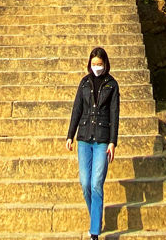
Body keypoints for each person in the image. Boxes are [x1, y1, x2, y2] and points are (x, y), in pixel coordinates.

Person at [66, 46, 119, 240]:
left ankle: (94, 231)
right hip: (84, 138)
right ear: (89, 64)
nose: (97, 67)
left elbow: (114, 113)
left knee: (97, 183)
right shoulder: (84, 83)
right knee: (85, 183)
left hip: (102, 139)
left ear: (105, 64)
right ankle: (94, 217)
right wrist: (70, 135)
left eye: (100, 64)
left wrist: (113, 142)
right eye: (94, 64)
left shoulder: (112, 85)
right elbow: (77, 109)